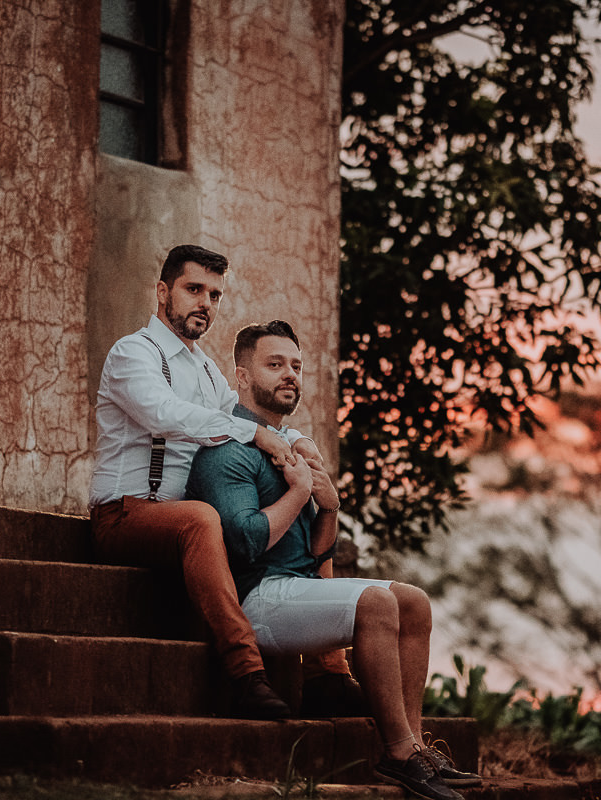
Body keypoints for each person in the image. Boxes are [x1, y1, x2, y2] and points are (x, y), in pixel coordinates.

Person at [185, 320, 482, 800]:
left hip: (296, 589)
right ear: (241, 377)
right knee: (375, 603)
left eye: (296, 366)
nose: (290, 375)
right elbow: (244, 543)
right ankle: (398, 753)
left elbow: (316, 552)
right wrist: (300, 490)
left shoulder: (293, 446)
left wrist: (329, 506)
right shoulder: (227, 452)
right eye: (275, 364)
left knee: (413, 601)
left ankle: (418, 745)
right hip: (252, 597)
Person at [88, 245, 360, 720]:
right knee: (204, 517)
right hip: (127, 514)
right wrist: (258, 434)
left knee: (286, 489)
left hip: (191, 525)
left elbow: (240, 415)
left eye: (214, 295)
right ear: (162, 292)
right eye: (194, 290)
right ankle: (246, 673)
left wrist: (298, 443)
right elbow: (164, 413)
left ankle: (329, 673)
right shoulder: (134, 352)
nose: (205, 304)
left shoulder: (207, 370)